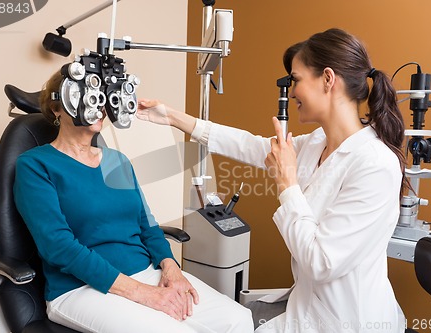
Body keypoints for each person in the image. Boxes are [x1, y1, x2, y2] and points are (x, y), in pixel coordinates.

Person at [136, 28, 407, 332]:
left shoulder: (375, 164)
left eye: (297, 79)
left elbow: (322, 262)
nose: (291, 92)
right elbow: (251, 146)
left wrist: (287, 183)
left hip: (349, 321)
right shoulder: (318, 142)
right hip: (308, 310)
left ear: (328, 79)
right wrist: (173, 117)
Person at [13, 68, 254, 333]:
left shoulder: (118, 161)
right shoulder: (35, 165)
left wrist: (171, 268)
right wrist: (142, 293)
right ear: (58, 107)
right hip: (80, 288)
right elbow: (57, 246)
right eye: (87, 95)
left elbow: (147, 225)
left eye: (103, 97)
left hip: (146, 272)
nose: (100, 106)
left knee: (238, 319)